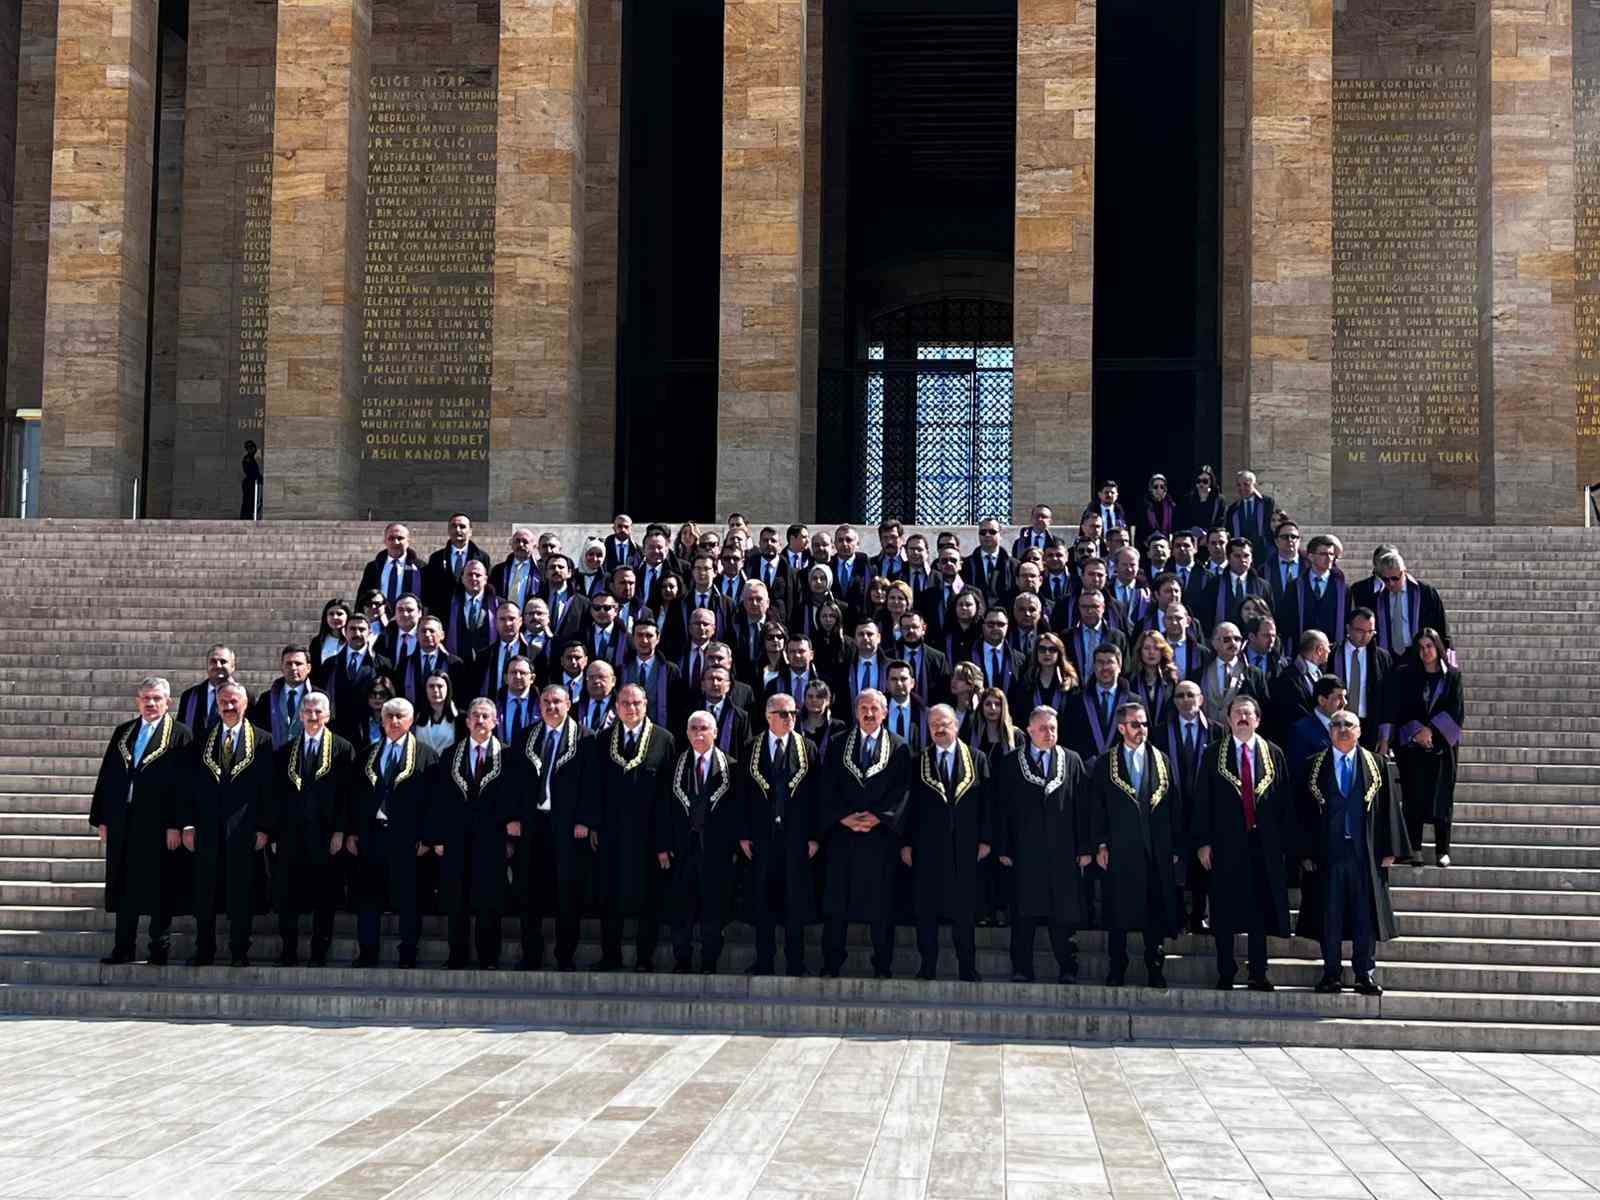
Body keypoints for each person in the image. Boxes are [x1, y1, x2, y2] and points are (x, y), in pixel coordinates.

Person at [1292, 711, 1409, 995]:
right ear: (1329, 731)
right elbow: (1302, 814)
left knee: (1364, 917)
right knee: (1328, 915)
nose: (1342, 729)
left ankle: (1364, 973)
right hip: (1327, 855)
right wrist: (1305, 852)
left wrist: (1391, 849)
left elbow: (1390, 808)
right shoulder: (1312, 766)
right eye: (1337, 725)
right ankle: (1331, 972)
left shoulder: (1378, 764)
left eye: (1349, 725)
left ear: (1359, 731)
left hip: (1365, 853)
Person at [1192, 695, 1292, 990]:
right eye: (1237, 713)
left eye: (1248, 714)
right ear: (1228, 719)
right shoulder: (1213, 754)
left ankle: (1258, 972)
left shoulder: (1274, 754)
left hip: (1264, 845)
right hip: (1225, 844)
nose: (1243, 718)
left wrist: (1287, 845)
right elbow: (1202, 800)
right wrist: (1203, 842)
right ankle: (1226, 971)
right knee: (1224, 909)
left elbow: (1285, 803)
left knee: (1260, 910)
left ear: (1258, 719)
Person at [93, 677, 193, 965]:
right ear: (138, 701)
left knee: (160, 885)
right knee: (124, 885)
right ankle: (123, 947)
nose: (151, 704)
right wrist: (103, 818)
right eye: (146, 698)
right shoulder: (124, 732)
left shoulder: (180, 735)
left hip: (159, 825)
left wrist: (178, 824)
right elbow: (108, 776)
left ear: (168, 702)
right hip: (124, 820)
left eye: (157, 698)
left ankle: (158, 948)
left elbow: (184, 785)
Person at [581, 683, 676, 971]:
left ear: (646, 704)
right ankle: (610, 956)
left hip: (648, 835)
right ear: (616, 706)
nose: (631, 708)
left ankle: (644, 958)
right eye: (625, 703)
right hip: (612, 833)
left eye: (636, 703)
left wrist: (663, 842)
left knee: (649, 898)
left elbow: (668, 796)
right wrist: (594, 825)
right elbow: (595, 785)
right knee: (609, 896)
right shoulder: (604, 739)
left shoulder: (664, 739)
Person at [993, 706, 1091, 983]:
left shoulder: (1071, 760)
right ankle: (1022, 968)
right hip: (1025, 852)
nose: (1049, 733)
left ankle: (1068, 968)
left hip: (1063, 851)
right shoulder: (1013, 763)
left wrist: (1085, 847)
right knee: (1024, 914)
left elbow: (1082, 807)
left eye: (1053, 728)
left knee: (1063, 914)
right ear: (1030, 731)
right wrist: (1004, 847)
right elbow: (1002, 808)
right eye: (1044, 728)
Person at [820, 689, 912, 978]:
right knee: (836, 903)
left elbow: (903, 790)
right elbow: (827, 786)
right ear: (855, 710)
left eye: (874, 708)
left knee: (882, 905)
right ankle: (832, 962)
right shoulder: (837, 744)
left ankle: (882, 964)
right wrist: (843, 817)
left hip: (880, 839)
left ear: (885, 712)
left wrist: (879, 818)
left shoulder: (899, 747)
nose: (869, 714)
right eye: (863, 708)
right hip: (843, 837)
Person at [182, 680, 273, 968]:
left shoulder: (262, 740)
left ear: (245, 705)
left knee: (240, 891)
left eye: (235, 702)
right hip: (207, 827)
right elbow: (190, 786)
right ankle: (204, 948)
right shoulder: (202, 738)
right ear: (217, 705)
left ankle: (239, 950)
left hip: (244, 828)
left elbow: (268, 790)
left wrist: (264, 827)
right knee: (204, 890)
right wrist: (188, 825)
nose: (229, 707)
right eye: (224, 702)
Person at [902, 704, 992, 981]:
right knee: (926, 910)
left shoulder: (976, 758)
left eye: (944, 724)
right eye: (934, 726)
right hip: (928, 848)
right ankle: (927, 965)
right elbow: (909, 806)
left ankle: (967, 965)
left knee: (963, 909)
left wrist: (986, 839)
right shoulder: (919, 761)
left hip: (965, 847)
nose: (939, 730)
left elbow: (988, 803)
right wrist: (906, 843)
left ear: (956, 725)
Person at [1091, 701, 1178, 988]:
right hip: (1120, 848)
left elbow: (1173, 804)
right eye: (1134, 724)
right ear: (1121, 728)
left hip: (1155, 848)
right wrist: (1101, 843)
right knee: (1119, 912)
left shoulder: (1161, 759)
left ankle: (1155, 967)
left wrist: (1175, 846)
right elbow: (1098, 807)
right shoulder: (1105, 762)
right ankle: (1118, 967)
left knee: (1155, 912)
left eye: (1143, 723)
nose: (1141, 729)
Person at [349, 697, 438, 968]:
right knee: (368, 896)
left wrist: (428, 837)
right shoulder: (367, 754)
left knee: (408, 897)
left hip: (408, 838)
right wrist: (352, 832)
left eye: (400, 716)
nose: (394, 721)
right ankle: (367, 950)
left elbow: (432, 802)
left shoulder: (425, 755)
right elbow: (355, 798)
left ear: (411, 721)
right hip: (373, 835)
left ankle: (408, 950)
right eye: (389, 716)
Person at [430, 698, 516, 970]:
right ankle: (457, 955)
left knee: (488, 900)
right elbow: (440, 800)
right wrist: (439, 838)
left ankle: (488, 957)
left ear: (495, 721)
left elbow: (514, 800)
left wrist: (510, 839)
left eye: (485, 716)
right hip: (457, 839)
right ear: (467, 722)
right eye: (475, 716)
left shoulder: (509, 756)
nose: (480, 721)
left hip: (492, 841)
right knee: (457, 899)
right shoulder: (450, 755)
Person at [739, 693, 821, 976]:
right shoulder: (751, 747)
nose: (790, 718)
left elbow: (815, 797)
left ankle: (796, 962)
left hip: (796, 838)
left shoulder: (808, 748)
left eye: (793, 713)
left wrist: (814, 836)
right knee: (764, 901)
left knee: (794, 902)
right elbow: (743, 794)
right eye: (783, 713)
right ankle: (764, 960)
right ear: (768, 715)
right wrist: (744, 833)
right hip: (762, 837)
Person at [271, 690, 352, 967]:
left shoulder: (342, 749)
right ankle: (288, 949)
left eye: (318, 711)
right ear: (300, 715)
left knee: (324, 894)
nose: (313, 716)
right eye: (308, 711)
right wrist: (275, 832)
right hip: (292, 834)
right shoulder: (286, 751)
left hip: (325, 834)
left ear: (327, 715)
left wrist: (340, 831)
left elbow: (346, 795)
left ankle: (319, 949)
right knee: (287, 894)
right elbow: (277, 796)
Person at [512, 684, 589, 970]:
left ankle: (565, 954)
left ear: (568, 704)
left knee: (566, 892)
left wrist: (584, 820)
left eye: (557, 701)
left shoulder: (584, 738)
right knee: (529, 891)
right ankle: (531, 953)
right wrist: (513, 817)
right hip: (533, 825)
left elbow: (589, 783)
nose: (551, 706)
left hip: (568, 827)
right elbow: (515, 783)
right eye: (546, 701)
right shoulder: (525, 738)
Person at [656, 712, 739, 973]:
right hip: (681, 848)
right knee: (682, 907)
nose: (698, 733)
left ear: (715, 732)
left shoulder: (732, 767)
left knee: (713, 908)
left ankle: (709, 961)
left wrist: (734, 847)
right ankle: (682, 959)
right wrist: (662, 845)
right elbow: (663, 809)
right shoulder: (673, 766)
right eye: (693, 728)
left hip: (715, 850)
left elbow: (739, 811)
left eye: (704, 728)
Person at [1390, 627, 1465, 867]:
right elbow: (1401, 709)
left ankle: (1443, 850)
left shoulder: (1452, 676)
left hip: (1442, 747)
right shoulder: (1406, 675)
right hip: (1413, 747)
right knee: (1414, 798)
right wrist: (1416, 733)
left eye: (1429, 646)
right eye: (1421, 647)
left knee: (1442, 798)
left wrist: (1431, 731)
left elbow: (1456, 711)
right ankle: (1415, 848)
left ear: (1438, 648)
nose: (1425, 652)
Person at [1161, 679, 1215, 933]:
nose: (1186, 700)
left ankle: (1200, 915)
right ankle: (1178, 915)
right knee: (1176, 864)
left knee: (1203, 864)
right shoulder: (1162, 732)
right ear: (1174, 702)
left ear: (1201, 699)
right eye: (1180, 696)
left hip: (1205, 808)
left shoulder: (1217, 731)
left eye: (1190, 695)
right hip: (1173, 806)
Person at [315, 614, 396, 744]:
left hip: (370, 732)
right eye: (352, 629)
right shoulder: (330, 664)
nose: (357, 633)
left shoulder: (382, 664)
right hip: (337, 731)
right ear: (344, 631)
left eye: (362, 629)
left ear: (370, 632)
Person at [1327, 606, 1393, 752]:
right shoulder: (1333, 654)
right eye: (1360, 631)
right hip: (1340, 724)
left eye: (1370, 632)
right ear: (1348, 629)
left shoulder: (1382, 657)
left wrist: (1385, 739)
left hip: (1369, 726)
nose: (1365, 636)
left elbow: (1388, 699)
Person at [1371, 551, 1452, 658]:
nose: (1391, 583)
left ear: (1404, 572)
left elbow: (1441, 626)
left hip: (1420, 655)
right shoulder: (1377, 597)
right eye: (1386, 579)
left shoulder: (1426, 593)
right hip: (1388, 656)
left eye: (1395, 578)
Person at [1063, 644, 1133, 765]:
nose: (1104, 667)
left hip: (1124, 770)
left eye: (1110, 662)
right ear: (1094, 667)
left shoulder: (1134, 702)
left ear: (1119, 666)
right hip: (1087, 772)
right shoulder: (1077, 700)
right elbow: (1069, 739)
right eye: (1100, 662)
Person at [1199, 621, 1269, 729]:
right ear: (1214, 643)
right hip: (1209, 735)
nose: (1233, 643)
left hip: (1242, 733)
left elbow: (1263, 707)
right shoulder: (1202, 672)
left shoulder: (1254, 674)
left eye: (1237, 639)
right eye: (1226, 639)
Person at [1199, 536, 1269, 635]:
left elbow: (1269, 618)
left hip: (1254, 642)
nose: (1242, 560)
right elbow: (1206, 618)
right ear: (1228, 558)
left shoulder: (1263, 586)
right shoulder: (1214, 584)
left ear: (1252, 558)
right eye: (1237, 556)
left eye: (1246, 556)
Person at [425, 514, 492, 615]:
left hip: (470, 613)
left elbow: (487, 586)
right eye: (453, 526)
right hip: (442, 613)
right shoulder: (436, 558)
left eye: (462, 526)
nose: (458, 530)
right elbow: (430, 587)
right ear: (448, 531)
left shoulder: (482, 558)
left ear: (470, 531)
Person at [250, 644, 314, 750]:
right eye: (289, 664)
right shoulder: (266, 698)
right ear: (282, 667)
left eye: (298, 664)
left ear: (308, 668)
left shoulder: (319, 697)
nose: (293, 668)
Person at [398, 616, 464, 711]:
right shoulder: (405, 664)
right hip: (414, 719)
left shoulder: (454, 664)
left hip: (445, 720)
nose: (427, 634)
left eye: (432, 631)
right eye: (423, 631)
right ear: (417, 635)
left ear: (442, 635)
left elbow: (460, 696)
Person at [358, 522, 425, 612]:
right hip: (379, 619)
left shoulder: (420, 567)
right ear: (385, 541)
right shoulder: (373, 567)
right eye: (391, 538)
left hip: (407, 619)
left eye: (400, 538)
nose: (395, 542)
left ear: (408, 541)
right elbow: (362, 596)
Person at [443, 559, 497, 665]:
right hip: (456, 664)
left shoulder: (498, 605)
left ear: (485, 579)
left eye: (478, 575)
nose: (474, 578)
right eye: (470, 574)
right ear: (462, 578)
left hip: (488, 665)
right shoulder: (448, 605)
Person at [176, 644, 237, 735]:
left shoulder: (246, 696)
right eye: (213, 661)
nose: (218, 665)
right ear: (207, 666)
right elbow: (180, 731)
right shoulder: (189, 696)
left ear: (233, 667)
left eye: (223, 661)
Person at [1126, 630, 1180, 728]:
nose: (1151, 652)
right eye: (1146, 648)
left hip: (1166, 736)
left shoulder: (1172, 679)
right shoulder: (1130, 680)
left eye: (1156, 648)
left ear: (1162, 651)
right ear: (1140, 651)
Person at [489, 526, 543, 614]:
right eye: (517, 541)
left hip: (531, 620)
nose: (520, 545)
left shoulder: (542, 570)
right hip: (504, 620)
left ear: (534, 546)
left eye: (525, 542)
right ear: (512, 545)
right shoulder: (498, 570)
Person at [414, 670, 464, 755]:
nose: (435, 690)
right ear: (425, 689)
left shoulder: (460, 717)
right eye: (431, 686)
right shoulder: (415, 715)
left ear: (448, 688)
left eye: (440, 686)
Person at [1225, 470, 1275, 554]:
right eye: (1238, 485)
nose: (1242, 488)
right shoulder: (1233, 509)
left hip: (1264, 550)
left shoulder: (1267, 503)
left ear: (1254, 485)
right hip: (1241, 551)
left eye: (1246, 484)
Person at [883, 659, 926, 752]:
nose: (898, 683)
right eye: (894, 679)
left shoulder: (924, 713)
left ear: (912, 683)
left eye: (903, 679)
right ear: (886, 684)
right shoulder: (878, 711)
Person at [799, 679, 846, 760]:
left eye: (819, 696)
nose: (814, 700)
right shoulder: (796, 726)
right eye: (810, 696)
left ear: (828, 701)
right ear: (804, 699)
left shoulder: (838, 727)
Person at [1178, 465, 1225, 533]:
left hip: (1211, 538)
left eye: (1205, 481)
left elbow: (1220, 522)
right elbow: (1183, 521)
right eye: (1198, 481)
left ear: (1211, 482)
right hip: (1192, 537)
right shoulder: (1188, 499)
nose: (1201, 484)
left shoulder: (1219, 499)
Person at [308, 599, 351, 671]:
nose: (335, 617)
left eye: (339, 614)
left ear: (347, 616)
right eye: (331, 614)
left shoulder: (355, 640)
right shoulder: (317, 642)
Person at [240, 440, 263, 519]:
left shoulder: (251, 458)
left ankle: (249, 516)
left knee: (251, 502)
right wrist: (258, 477)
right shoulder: (248, 459)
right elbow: (250, 472)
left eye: (253, 447)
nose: (253, 449)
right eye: (251, 448)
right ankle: (246, 517)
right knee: (248, 502)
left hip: (252, 482)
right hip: (249, 483)